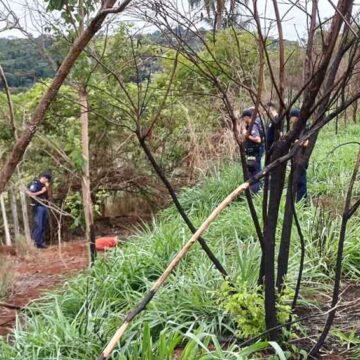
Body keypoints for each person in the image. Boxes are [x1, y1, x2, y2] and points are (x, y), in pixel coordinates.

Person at [241, 109, 263, 193]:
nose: (243, 120)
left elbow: (258, 140)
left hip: (255, 153)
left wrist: (247, 135)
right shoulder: (249, 126)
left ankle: (256, 191)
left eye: (243, 118)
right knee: (252, 171)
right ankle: (254, 190)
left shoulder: (253, 126)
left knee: (255, 172)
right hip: (251, 153)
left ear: (247, 117)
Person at [27, 172, 52, 249]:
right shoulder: (35, 184)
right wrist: (41, 191)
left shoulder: (45, 186)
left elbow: (48, 196)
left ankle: (41, 243)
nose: (47, 181)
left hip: (44, 206)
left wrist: (47, 189)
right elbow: (30, 194)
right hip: (38, 207)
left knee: (43, 226)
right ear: (43, 178)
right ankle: (36, 243)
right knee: (39, 225)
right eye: (47, 180)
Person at [289, 109, 308, 202]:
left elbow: (307, 143)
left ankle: (303, 201)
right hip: (294, 158)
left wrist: (295, 141)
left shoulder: (304, 129)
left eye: (292, 117)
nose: (291, 120)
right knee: (295, 180)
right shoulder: (295, 129)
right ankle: (297, 200)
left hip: (302, 157)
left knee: (301, 181)